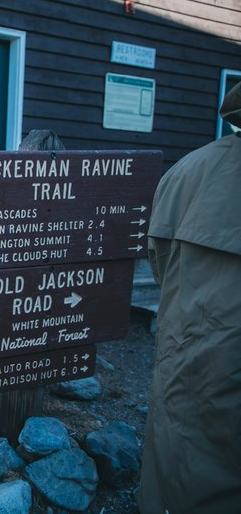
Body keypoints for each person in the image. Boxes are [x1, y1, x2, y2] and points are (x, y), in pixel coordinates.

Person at [139, 81, 241, 514]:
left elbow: (162, 267)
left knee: (179, 458)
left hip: (188, 361)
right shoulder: (192, 171)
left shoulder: (187, 171)